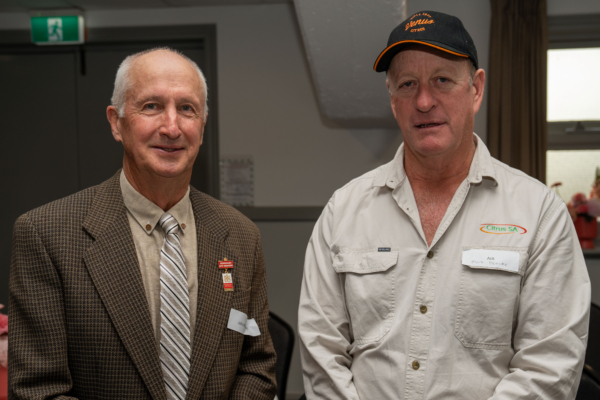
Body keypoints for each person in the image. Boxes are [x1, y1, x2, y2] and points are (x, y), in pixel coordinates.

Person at [298, 10, 590, 399]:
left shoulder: (538, 213)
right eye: (407, 84)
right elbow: (322, 349)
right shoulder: (343, 211)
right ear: (391, 98)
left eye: (442, 80)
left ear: (476, 89)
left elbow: (551, 363)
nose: (423, 101)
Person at [9, 48, 276, 399]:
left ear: (203, 122)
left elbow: (256, 365)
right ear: (116, 122)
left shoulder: (240, 235)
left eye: (187, 108)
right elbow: (38, 390)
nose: (171, 127)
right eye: (151, 106)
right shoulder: (46, 234)